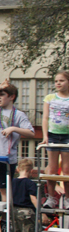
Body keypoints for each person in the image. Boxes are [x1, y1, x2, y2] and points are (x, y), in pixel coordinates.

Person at [0, 80, 35, 202]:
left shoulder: (19, 115)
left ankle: (6, 219)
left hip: (4, 158)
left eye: (2, 95)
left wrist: (14, 128)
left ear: (12, 97)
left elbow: (31, 133)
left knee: (3, 190)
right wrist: (1, 86)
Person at [40, 71, 69, 201]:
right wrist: (45, 136)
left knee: (66, 169)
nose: (58, 83)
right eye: (56, 81)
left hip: (67, 136)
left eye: (61, 81)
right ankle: (51, 198)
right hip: (53, 135)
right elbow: (45, 118)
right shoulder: (50, 98)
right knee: (52, 168)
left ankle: (67, 198)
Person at [11, 158, 38, 232]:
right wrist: (41, 212)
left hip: (13, 210)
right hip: (26, 211)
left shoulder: (11, 182)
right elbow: (33, 199)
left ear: (18, 169)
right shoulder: (30, 183)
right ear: (31, 171)